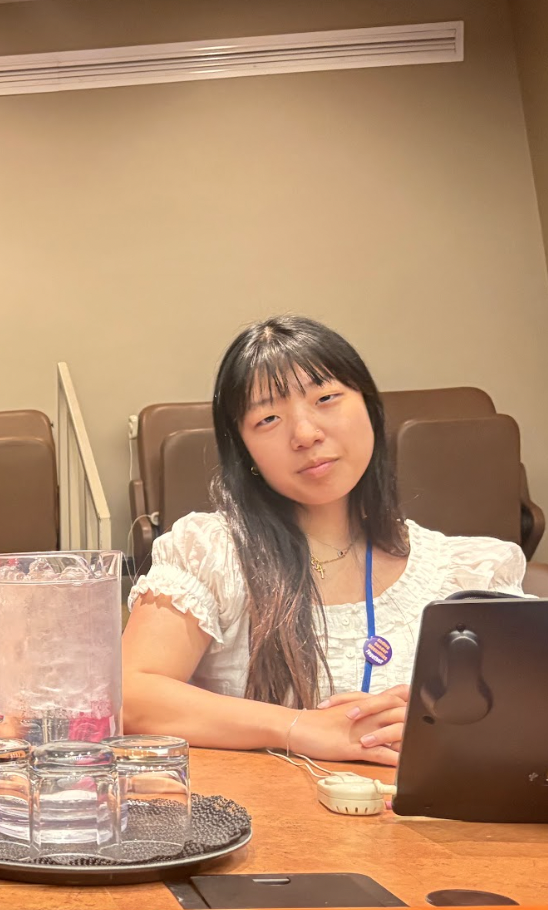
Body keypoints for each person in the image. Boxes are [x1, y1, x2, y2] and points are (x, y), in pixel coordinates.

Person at [122, 316, 527, 765]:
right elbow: (129, 696)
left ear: (370, 408)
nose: (305, 434)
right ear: (245, 451)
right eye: (268, 418)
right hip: (268, 808)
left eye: (326, 398)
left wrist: (446, 726)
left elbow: (538, 719)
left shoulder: (468, 572)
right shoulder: (212, 552)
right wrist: (300, 727)